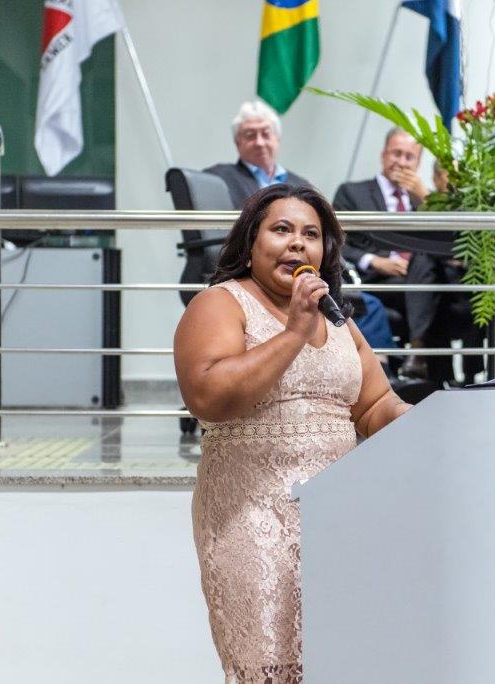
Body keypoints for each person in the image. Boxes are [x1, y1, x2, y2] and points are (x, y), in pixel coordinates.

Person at [173, 183, 410, 682]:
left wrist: (434, 420)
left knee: (337, 665)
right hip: (251, 518)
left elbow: (375, 406)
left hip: (337, 521)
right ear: (250, 243)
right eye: (281, 230)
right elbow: (210, 397)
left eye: (311, 234)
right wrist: (295, 332)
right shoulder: (220, 304)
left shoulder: (339, 322)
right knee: (270, 668)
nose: (298, 243)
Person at [333, 127, 429, 328]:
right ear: (383, 155)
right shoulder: (352, 192)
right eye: (397, 154)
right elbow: (334, 243)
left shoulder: (424, 199)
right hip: (374, 278)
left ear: (418, 163)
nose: (402, 162)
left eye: (409, 157)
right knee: (426, 292)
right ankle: (420, 346)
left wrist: (427, 201)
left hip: (419, 277)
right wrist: (373, 261)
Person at [400, 159, 483, 384]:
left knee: (428, 268)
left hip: (466, 282)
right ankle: (423, 353)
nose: (458, 181)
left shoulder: (474, 206)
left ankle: (418, 348)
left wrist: (426, 199)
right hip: (435, 283)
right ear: (436, 179)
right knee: (424, 257)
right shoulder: (419, 204)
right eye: (451, 175)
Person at [204, 100, 312, 208]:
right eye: (250, 135)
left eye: (266, 134)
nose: (259, 143)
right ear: (237, 142)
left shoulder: (302, 187)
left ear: (277, 138)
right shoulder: (218, 179)